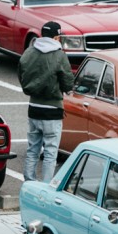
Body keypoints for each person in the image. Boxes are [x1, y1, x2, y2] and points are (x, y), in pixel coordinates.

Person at [18, 21, 74, 182]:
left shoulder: (29, 52)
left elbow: (21, 73)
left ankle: (29, 181)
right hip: (52, 109)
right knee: (50, 151)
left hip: (33, 107)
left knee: (32, 149)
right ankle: (46, 185)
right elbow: (67, 80)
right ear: (56, 37)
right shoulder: (59, 55)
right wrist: (68, 89)